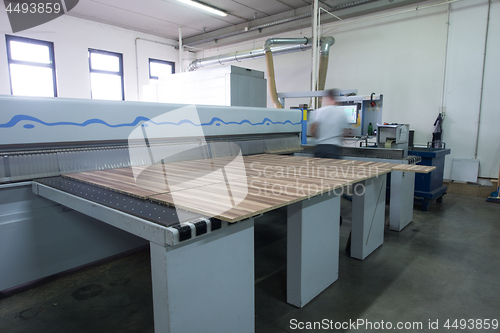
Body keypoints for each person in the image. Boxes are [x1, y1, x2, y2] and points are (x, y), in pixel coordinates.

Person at [310, 88, 349, 159]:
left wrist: (320, 138)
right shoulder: (342, 113)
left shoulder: (318, 112)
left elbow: (312, 130)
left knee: (318, 169)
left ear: (327, 98)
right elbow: (345, 132)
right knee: (333, 169)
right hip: (334, 149)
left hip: (320, 148)